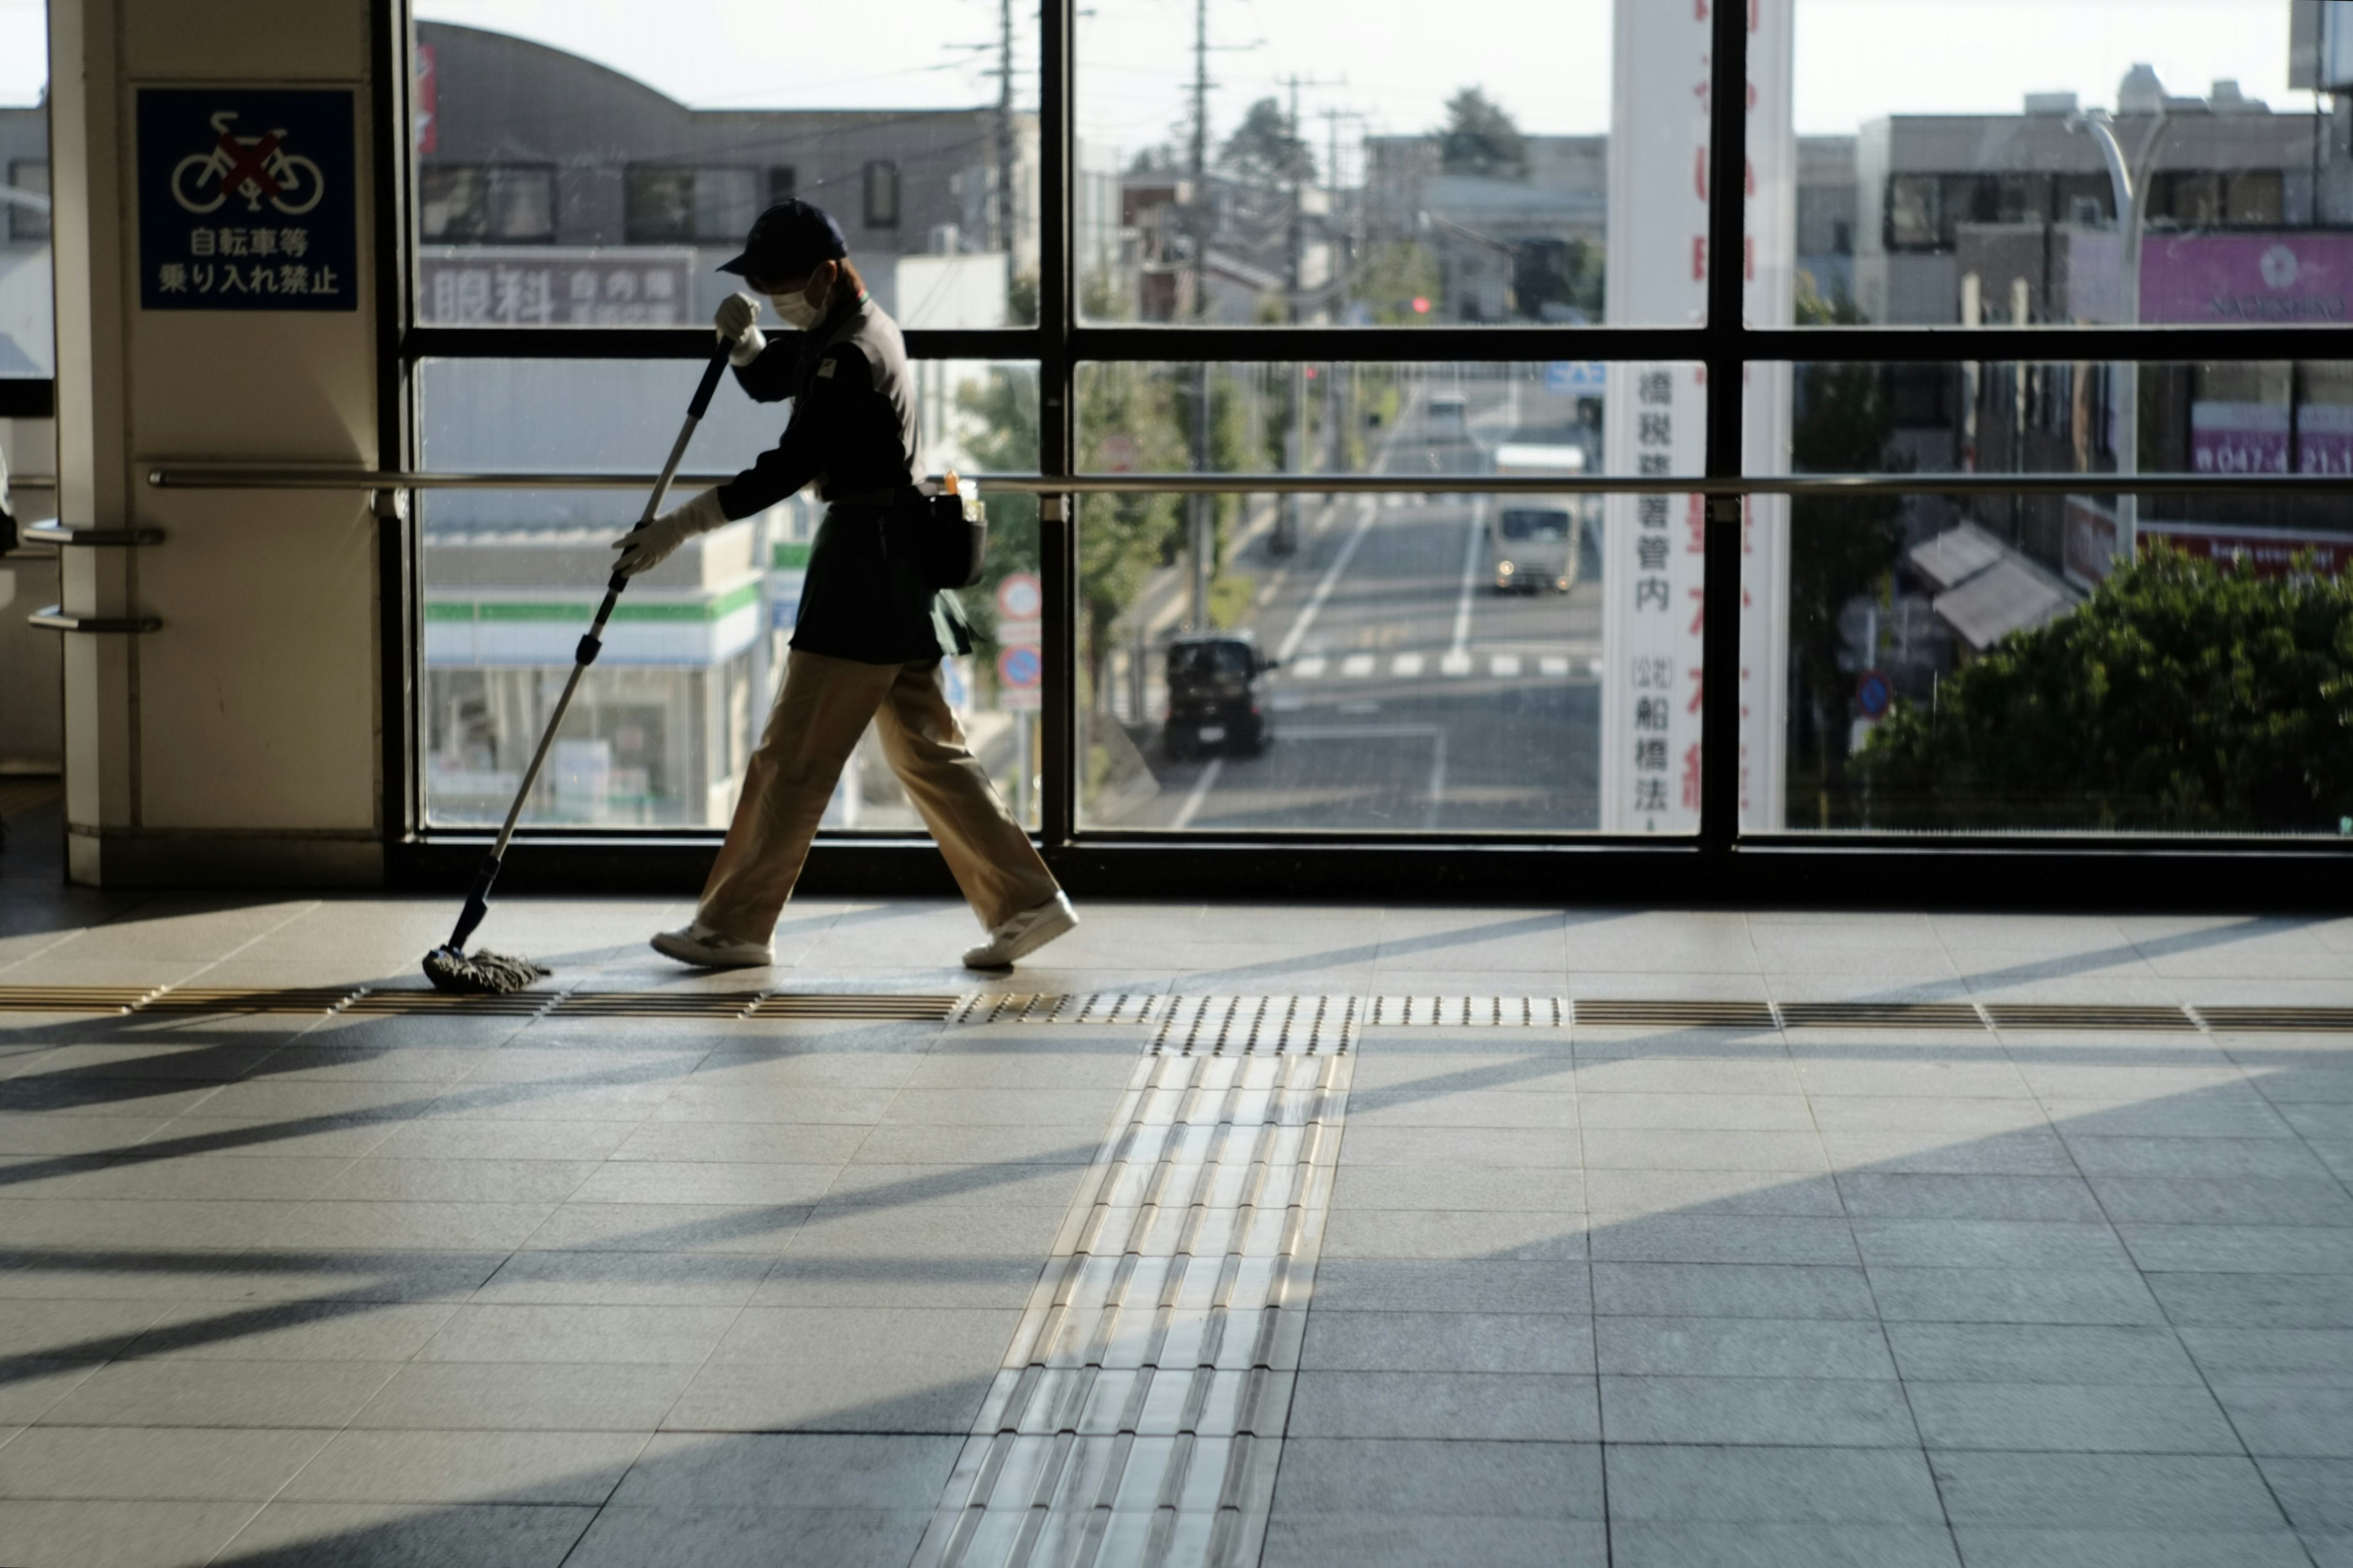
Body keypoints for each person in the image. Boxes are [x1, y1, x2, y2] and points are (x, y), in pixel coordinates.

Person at [613, 200, 1077, 972]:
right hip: (897, 572)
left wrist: (681, 527)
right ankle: (1027, 901)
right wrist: (748, 344)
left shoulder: (852, 353)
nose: (778, 297)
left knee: (790, 757)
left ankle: (733, 925)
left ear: (827, 273)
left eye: (781, 286)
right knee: (928, 753)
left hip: (864, 575)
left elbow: (791, 463)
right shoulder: (849, 332)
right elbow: (777, 383)